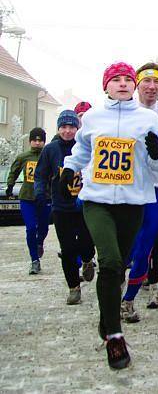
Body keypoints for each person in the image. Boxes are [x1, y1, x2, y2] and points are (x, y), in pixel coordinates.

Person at [61, 61, 158, 369]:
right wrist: (69, 170)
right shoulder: (95, 118)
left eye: (128, 79)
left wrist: (155, 154)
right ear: (106, 86)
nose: (123, 83)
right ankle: (114, 336)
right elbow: (81, 151)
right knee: (109, 261)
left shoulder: (149, 119)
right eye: (116, 80)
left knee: (118, 267)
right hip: (97, 201)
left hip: (133, 203)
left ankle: (106, 318)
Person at [121, 63, 158, 320]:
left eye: (157, 83)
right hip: (126, 186)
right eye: (147, 82)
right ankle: (125, 284)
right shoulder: (123, 110)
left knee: (154, 239)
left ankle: (145, 289)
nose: (152, 87)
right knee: (128, 242)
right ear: (137, 84)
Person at [35, 110, 95, 303]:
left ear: (78, 128)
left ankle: (87, 260)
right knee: (68, 249)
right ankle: (73, 288)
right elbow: (41, 174)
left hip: (85, 204)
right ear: (58, 128)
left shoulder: (85, 147)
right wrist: (39, 193)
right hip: (61, 207)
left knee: (86, 244)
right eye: (64, 127)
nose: (68, 131)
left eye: (72, 127)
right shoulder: (50, 149)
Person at [6, 127, 48, 274]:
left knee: (43, 228)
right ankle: (34, 261)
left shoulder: (47, 155)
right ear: (30, 141)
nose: (37, 143)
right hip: (27, 197)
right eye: (34, 140)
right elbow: (14, 170)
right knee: (30, 228)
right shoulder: (23, 157)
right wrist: (10, 186)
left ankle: (40, 242)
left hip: (45, 197)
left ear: (44, 141)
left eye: (40, 140)